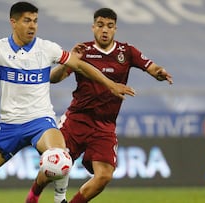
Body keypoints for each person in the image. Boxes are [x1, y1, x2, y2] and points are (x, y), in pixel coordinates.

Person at [0, 2, 134, 203]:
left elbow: (80, 65)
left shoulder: (47, 48)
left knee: (61, 155)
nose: (32, 26)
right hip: (10, 124)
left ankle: (60, 199)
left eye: (35, 21)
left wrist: (110, 84)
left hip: (40, 121)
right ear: (13, 22)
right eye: (27, 21)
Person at [26, 8, 173, 203]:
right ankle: (33, 195)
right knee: (56, 164)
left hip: (105, 126)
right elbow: (53, 78)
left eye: (110, 26)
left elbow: (151, 67)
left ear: (115, 29)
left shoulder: (126, 51)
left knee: (104, 175)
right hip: (77, 120)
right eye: (101, 25)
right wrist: (68, 61)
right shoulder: (83, 51)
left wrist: (159, 73)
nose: (105, 30)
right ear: (93, 27)